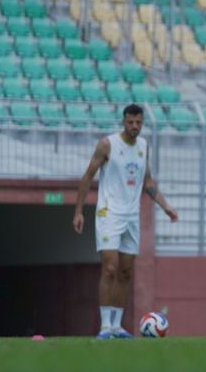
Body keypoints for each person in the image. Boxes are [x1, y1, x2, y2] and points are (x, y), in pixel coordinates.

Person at [73, 103, 179, 339]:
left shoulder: (143, 146)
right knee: (109, 267)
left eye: (138, 122)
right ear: (123, 121)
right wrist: (78, 211)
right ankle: (104, 327)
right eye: (130, 122)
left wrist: (166, 206)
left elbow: (148, 182)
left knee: (126, 271)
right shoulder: (107, 144)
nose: (134, 126)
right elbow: (88, 175)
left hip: (132, 215)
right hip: (108, 212)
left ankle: (116, 326)